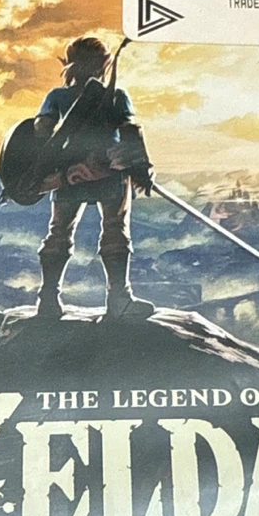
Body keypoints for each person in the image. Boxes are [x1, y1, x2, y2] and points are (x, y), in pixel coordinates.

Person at [33, 36, 155, 320]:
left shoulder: (57, 96)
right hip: (107, 173)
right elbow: (130, 132)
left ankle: (48, 300)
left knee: (59, 232)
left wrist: (50, 170)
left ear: (70, 63)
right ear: (104, 64)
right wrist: (141, 168)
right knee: (115, 229)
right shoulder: (116, 96)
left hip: (69, 174)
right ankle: (119, 299)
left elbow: (41, 132)